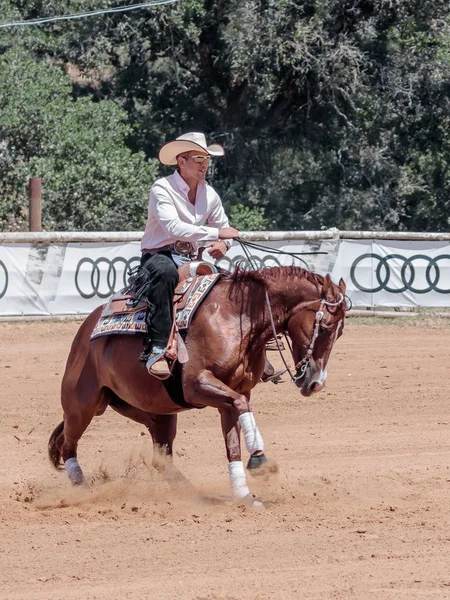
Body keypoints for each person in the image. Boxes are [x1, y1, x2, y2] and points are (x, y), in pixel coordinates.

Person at [138, 132, 239, 378]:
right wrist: (217, 233)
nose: (204, 164)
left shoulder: (210, 194)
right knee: (164, 274)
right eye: (198, 158)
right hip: (159, 255)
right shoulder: (161, 188)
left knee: (229, 284)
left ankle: (242, 349)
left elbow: (225, 231)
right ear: (181, 161)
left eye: (206, 159)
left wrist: (225, 245)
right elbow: (173, 228)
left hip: (192, 258)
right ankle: (158, 348)